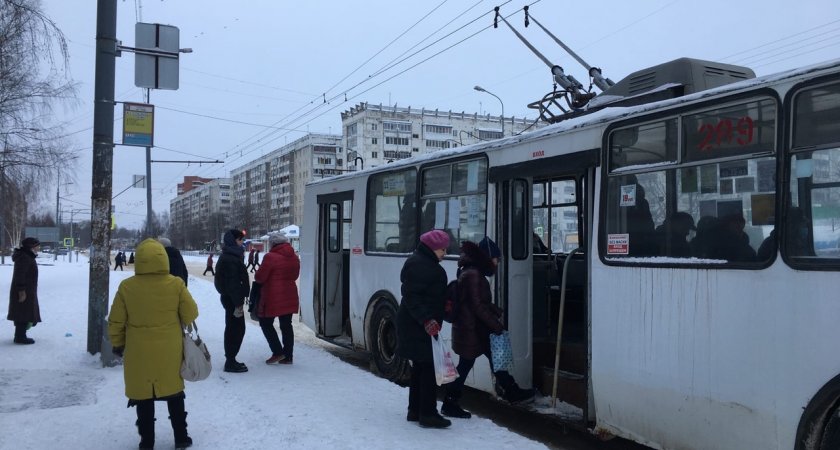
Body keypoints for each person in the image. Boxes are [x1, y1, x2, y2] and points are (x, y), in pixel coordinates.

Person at [108, 238, 199, 449]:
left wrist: (118, 343)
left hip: (138, 350)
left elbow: (116, 321)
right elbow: (191, 313)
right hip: (170, 349)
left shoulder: (127, 287)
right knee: (174, 392)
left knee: (143, 395)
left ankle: (147, 441)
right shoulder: (175, 284)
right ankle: (181, 437)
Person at [442, 237, 535, 419]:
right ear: (486, 257)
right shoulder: (474, 275)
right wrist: (496, 325)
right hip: (473, 329)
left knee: (491, 359)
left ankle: (512, 391)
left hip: (472, 328)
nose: (497, 262)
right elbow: (477, 306)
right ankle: (450, 402)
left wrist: (494, 310)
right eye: (496, 258)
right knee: (468, 365)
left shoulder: (470, 271)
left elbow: (476, 302)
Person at [396, 229, 451, 429]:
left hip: (416, 324)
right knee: (428, 368)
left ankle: (415, 410)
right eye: (442, 249)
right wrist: (427, 319)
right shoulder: (422, 265)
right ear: (432, 248)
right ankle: (427, 413)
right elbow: (412, 296)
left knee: (420, 367)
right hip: (418, 325)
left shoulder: (422, 262)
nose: (445, 253)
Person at [254, 233, 300, 365]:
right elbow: (295, 275)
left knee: (265, 323)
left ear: (273, 244)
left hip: (272, 295)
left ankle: (278, 352)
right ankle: (288, 356)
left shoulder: (270, 257)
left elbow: (259, 277)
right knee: (286, 325)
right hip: (290, 294)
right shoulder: (294, 257)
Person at [214, 229, 251, 373]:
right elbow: (232, 284)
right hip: (233, 300)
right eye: (240, 239)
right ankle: (230, 361)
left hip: (231, 299)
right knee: (235, 330)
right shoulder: (230, 258)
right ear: (233, 241)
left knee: (234, 328)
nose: (242, 242)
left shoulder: (231, 256)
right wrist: (237, 304)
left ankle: (231, 359)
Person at [7, 237, 41, 345]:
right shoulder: (24, 257)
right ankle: (20, 337)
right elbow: (20, 275)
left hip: (27, 289)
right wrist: (21, 291)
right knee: (23, 313)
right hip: (23, 290)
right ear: (31, 246)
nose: (39, 247)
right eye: (37, 245)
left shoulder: (27, 256)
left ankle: (20, 335)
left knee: (24, 312)